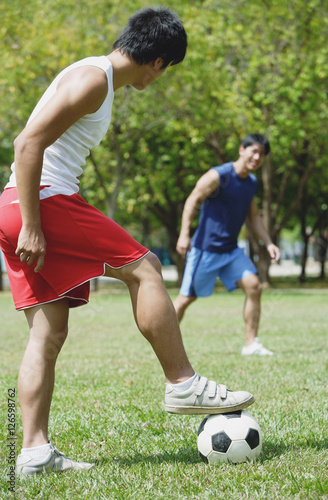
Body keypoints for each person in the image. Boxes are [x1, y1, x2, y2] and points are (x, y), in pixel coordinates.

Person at [0, 8, 254, 476]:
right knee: (146, 267)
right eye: (166, 70)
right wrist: (35, 225)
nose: (161, 77)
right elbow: (26, 143)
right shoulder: (95, 79)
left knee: (47, 333)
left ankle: (34, 452)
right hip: (41, 202)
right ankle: (182, 382)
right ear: (157, 61)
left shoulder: (93, 76)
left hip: (15, 203)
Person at [174, 134, 280, 356]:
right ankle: (163, 341)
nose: (257, 157)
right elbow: (193, 199)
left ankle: (250, 344)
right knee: (185, 299)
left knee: (254, 287)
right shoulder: (219, 176)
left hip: (231, 251)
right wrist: (184, 234)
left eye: (262, 154)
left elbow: (254, 217)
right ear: (242, 150)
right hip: (205, 250)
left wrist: (268, 242)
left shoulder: (251, 183)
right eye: (254, 151)